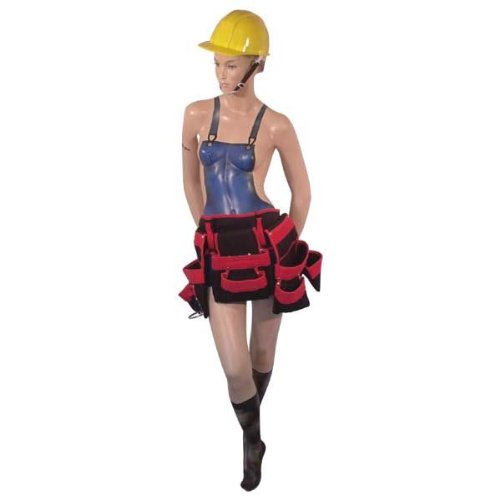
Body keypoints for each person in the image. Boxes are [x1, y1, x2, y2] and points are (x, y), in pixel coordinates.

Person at [178, 10, 323, 491]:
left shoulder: (277, 124)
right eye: (217, 64)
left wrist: (287, 247)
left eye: (231, 65)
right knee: (235, 367)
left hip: (265, 244)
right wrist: (205, 232)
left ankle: (248, 440)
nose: (221, 74)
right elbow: (191, 183)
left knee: (261, 352)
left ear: (257, 65)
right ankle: (254, 438)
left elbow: (303, 194)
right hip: (220, 247)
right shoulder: (195, 115)